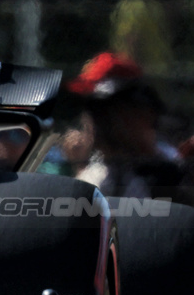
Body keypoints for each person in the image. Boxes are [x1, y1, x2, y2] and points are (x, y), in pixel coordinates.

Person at [66, 51, 186, 201]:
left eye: (105, 110)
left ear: (143, 112)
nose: (94, 121)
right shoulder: (93, 176)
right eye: (91, 109)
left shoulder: (173, 173)